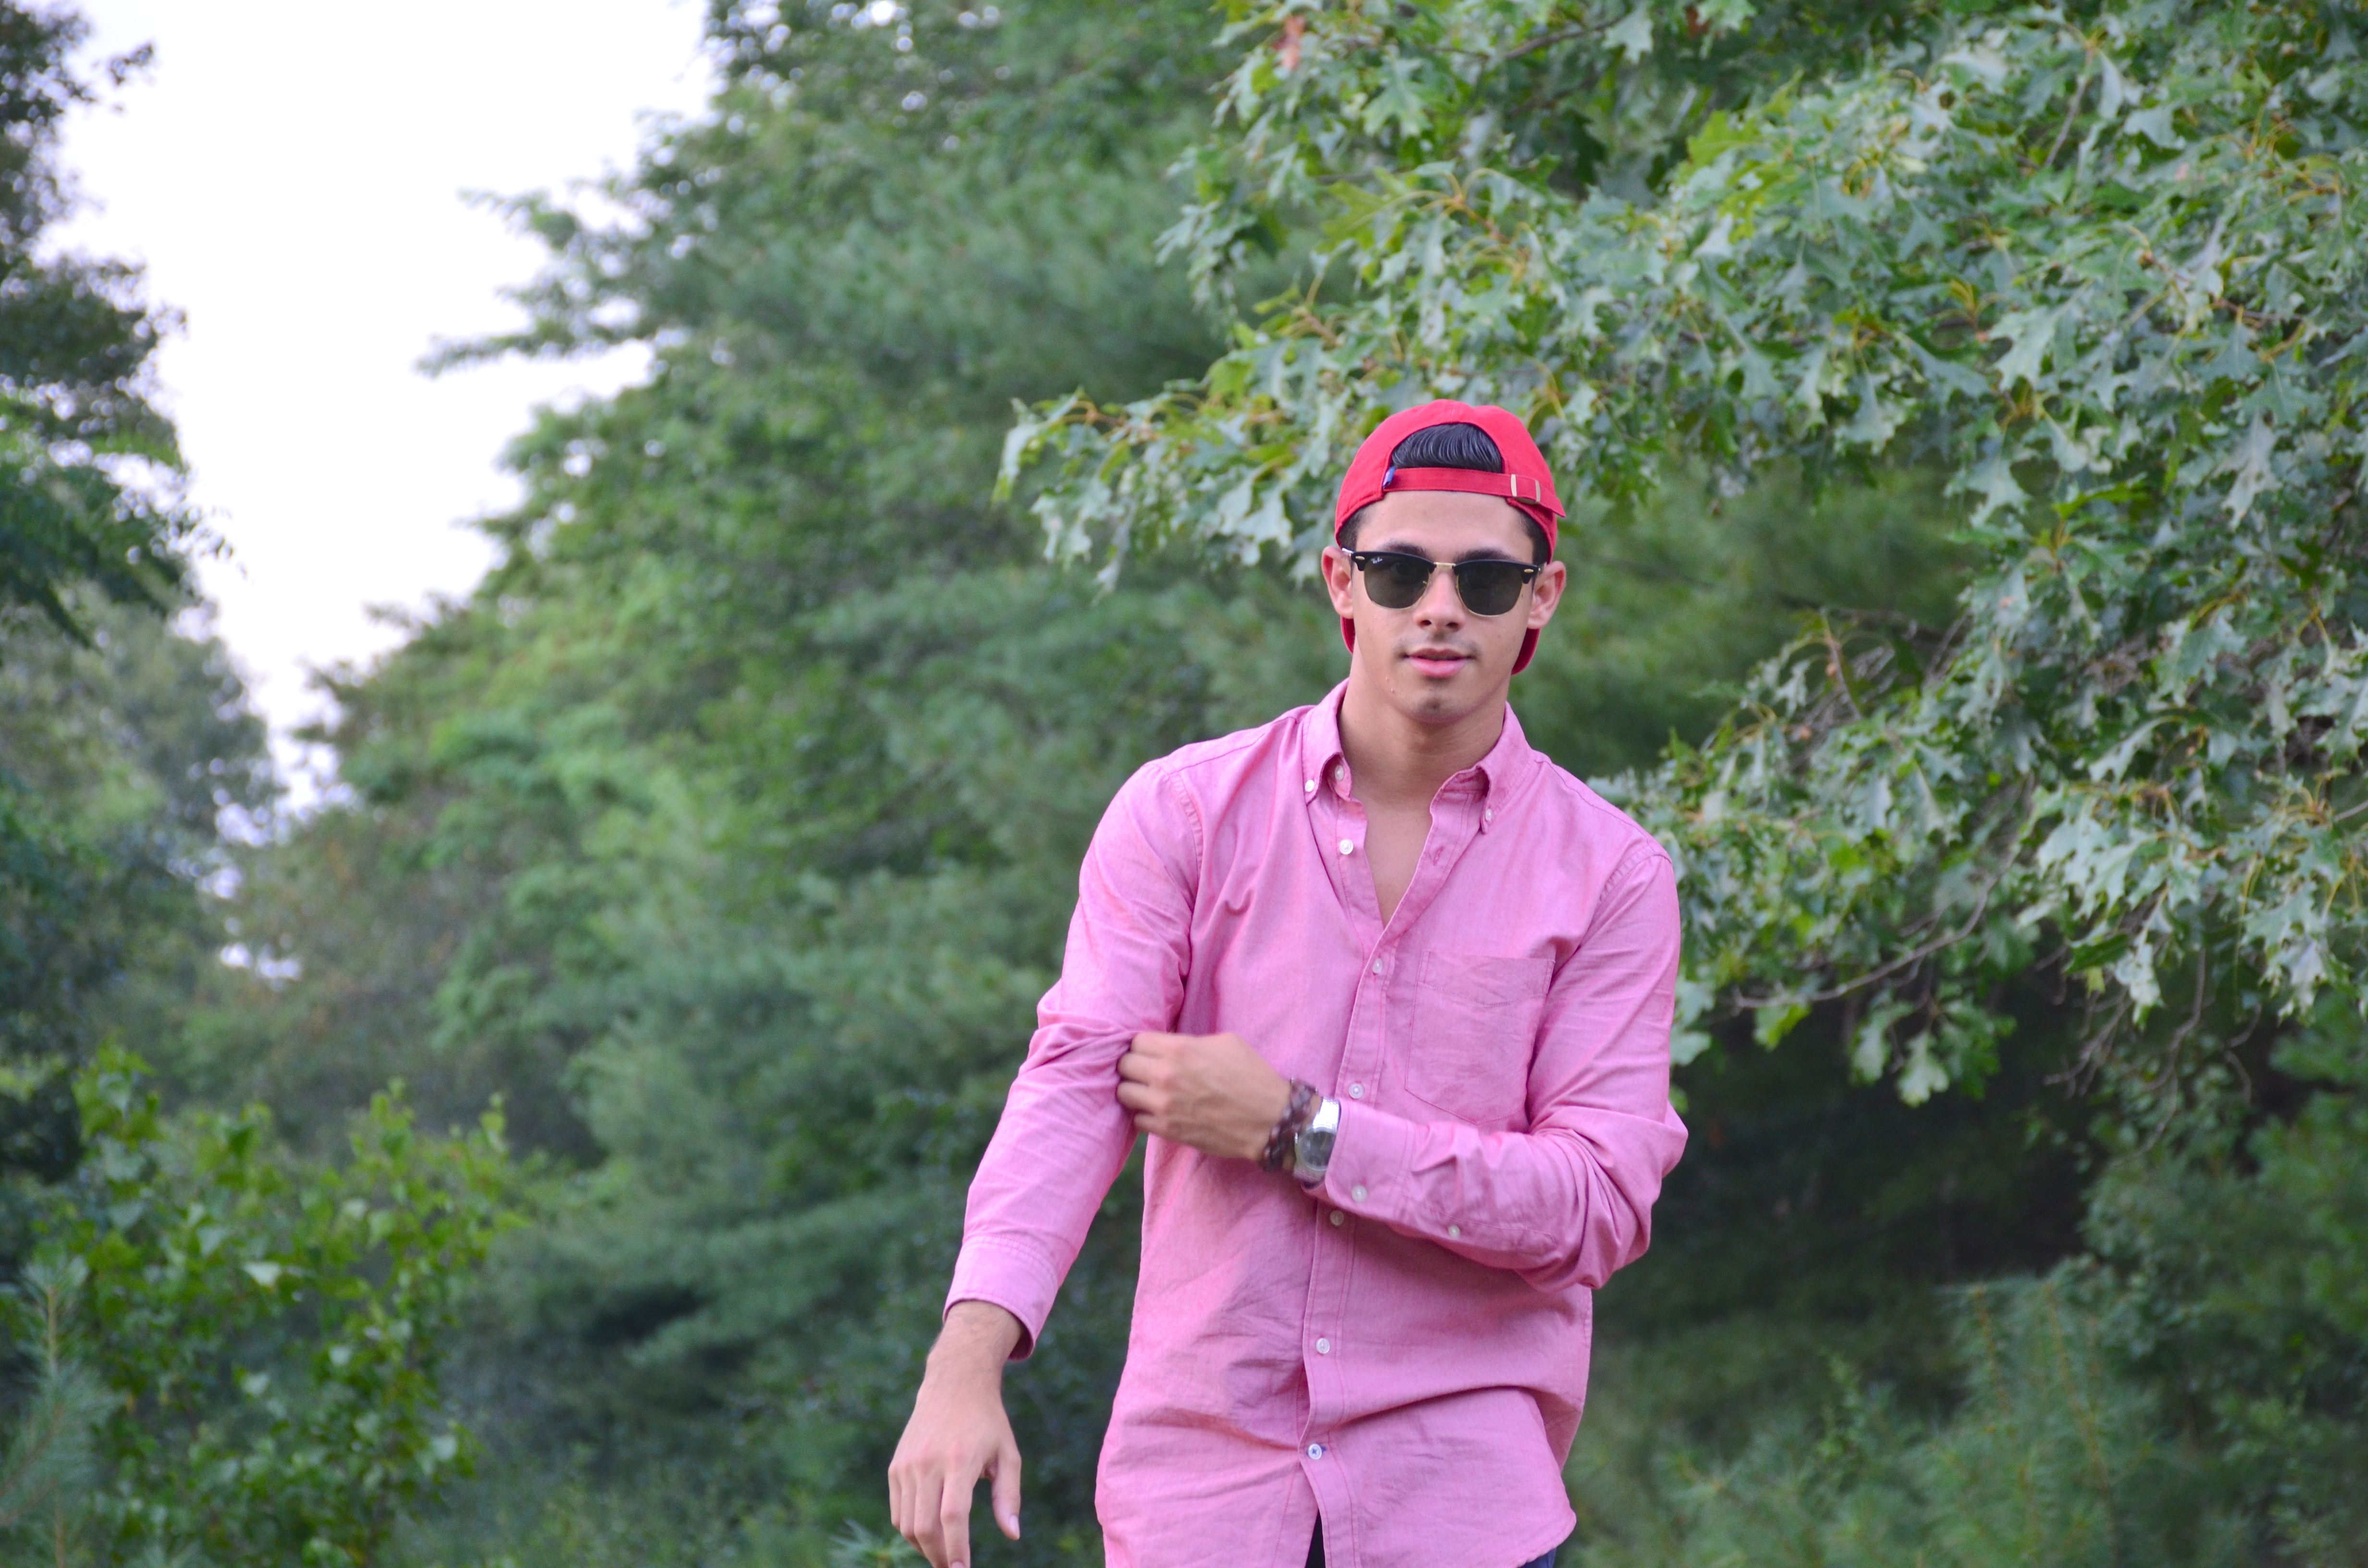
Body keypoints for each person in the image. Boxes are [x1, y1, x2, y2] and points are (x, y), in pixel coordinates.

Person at [888, 400, 1688, 1568]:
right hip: (1202, 1505)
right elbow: (1070, 1088)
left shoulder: (1612, 875)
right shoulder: (1183, 814)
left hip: (1461, 1509)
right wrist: (963, 1367)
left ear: (1542, 598)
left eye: (1485, 580)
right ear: (1340, 582)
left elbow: (1593, 1208)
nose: (1440, 607)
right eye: (1401, 570)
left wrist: (1303, 1133)